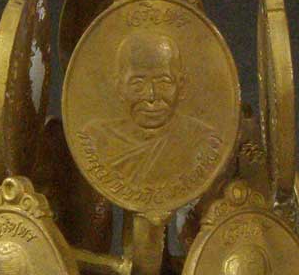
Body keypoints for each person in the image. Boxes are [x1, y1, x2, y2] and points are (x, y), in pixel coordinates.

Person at [80, 30, 220, 189]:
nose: (151, 96)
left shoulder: (202, 141)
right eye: (137, 84)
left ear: (181, 86)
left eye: (163, 82)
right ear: (120, 88)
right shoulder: (97, 139)